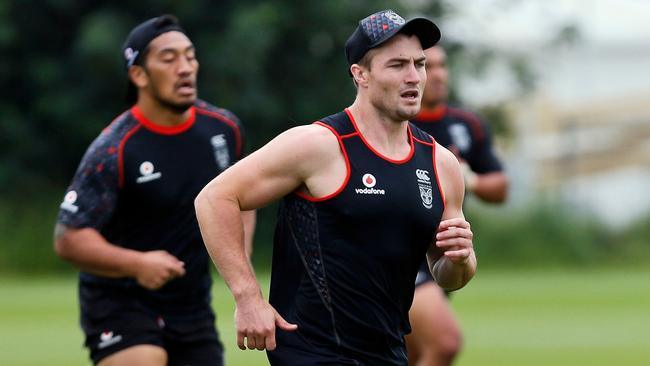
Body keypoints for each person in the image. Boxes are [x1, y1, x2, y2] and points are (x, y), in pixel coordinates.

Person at [195, 9, 476, 365]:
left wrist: (461, 258)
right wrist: (247, 297)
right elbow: (215, 198)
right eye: (397, 65)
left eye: (419, 64)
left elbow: (449, 276)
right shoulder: (319, 145)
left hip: (387, 351)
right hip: (311, 350)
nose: (414, 77)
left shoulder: (440, 164)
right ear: (361, 74)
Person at [53, 15, 255, 366]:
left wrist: (240, 263)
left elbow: (246, 196)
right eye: (168, 58)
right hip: (120, 303)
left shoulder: (224, 130)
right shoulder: (113, 149)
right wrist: (137, 264)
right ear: (139, 75)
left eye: (190, 56)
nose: (185, 68)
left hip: (191, 306)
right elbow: (69, 238)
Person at [406, 44, 509, 366]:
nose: (437, 74)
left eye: (441, 65)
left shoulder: (466, 124)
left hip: (443, 252)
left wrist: (469, 180)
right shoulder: (390, 125)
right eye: (427, 66)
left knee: (410, 354)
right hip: (402, 254)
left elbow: (500, 187)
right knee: (444, 342)